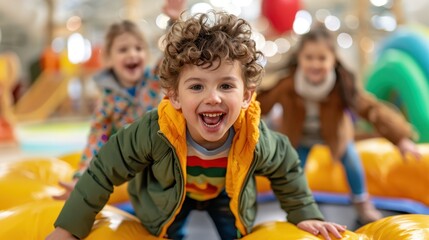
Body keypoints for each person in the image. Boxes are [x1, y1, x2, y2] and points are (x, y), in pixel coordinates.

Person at [46, 12, 347, 240]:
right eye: (197, 87)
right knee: (167, 231)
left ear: (246, 96)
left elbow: (286, 168)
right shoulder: (156, 130)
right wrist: (68, 228)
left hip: (225, 195)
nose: (213, 98)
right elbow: (104, 169)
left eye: (226, 85)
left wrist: (305, 214)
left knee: (237, 233)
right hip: (169, 193)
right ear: (174, 96)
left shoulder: (252, 134)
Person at [256, 25, 421, 224]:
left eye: (322, 58)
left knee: (352, 162)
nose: (315, 64)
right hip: (300, 137)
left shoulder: (341, 85)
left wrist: (400, 137)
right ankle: (298, 207)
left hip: (336, 135)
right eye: (309, 58)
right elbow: (261, 103)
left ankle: (362, 203)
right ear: (299, 59)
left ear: (333, 59)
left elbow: (371, 109)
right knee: (293, 170)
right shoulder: (288, 85)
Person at [53, 0, 186, 200]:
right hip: (129, 158)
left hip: (158, 152)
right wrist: (82, 177)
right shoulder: (108, 99)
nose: (133, 54)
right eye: (123, 50)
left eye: (138, 48)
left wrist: (174, 21)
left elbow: (173, 54)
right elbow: (97, 139)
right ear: (108, 58)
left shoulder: (153, 78)